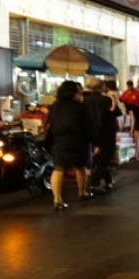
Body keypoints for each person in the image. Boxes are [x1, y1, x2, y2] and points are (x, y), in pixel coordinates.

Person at [44, 80, 93, 210]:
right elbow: (88, 125)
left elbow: (49, 124)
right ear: (74, 93)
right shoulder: (79, 107)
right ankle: (82, 193)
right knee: (80, 167)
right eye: (78, 92)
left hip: (59, 140)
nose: (80, 94)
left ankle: (57, 200)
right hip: (78, 140)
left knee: (58, 168)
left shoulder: (55, 105)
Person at [83, 77, 121, 193]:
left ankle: (108, 181)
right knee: (103, 160)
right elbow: (117, 112)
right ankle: (94, 184)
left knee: (100, 159)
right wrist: (112, 98)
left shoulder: (86, 101)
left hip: (90, 133)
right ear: (101, 87)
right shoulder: (106, 100)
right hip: (106, 134)